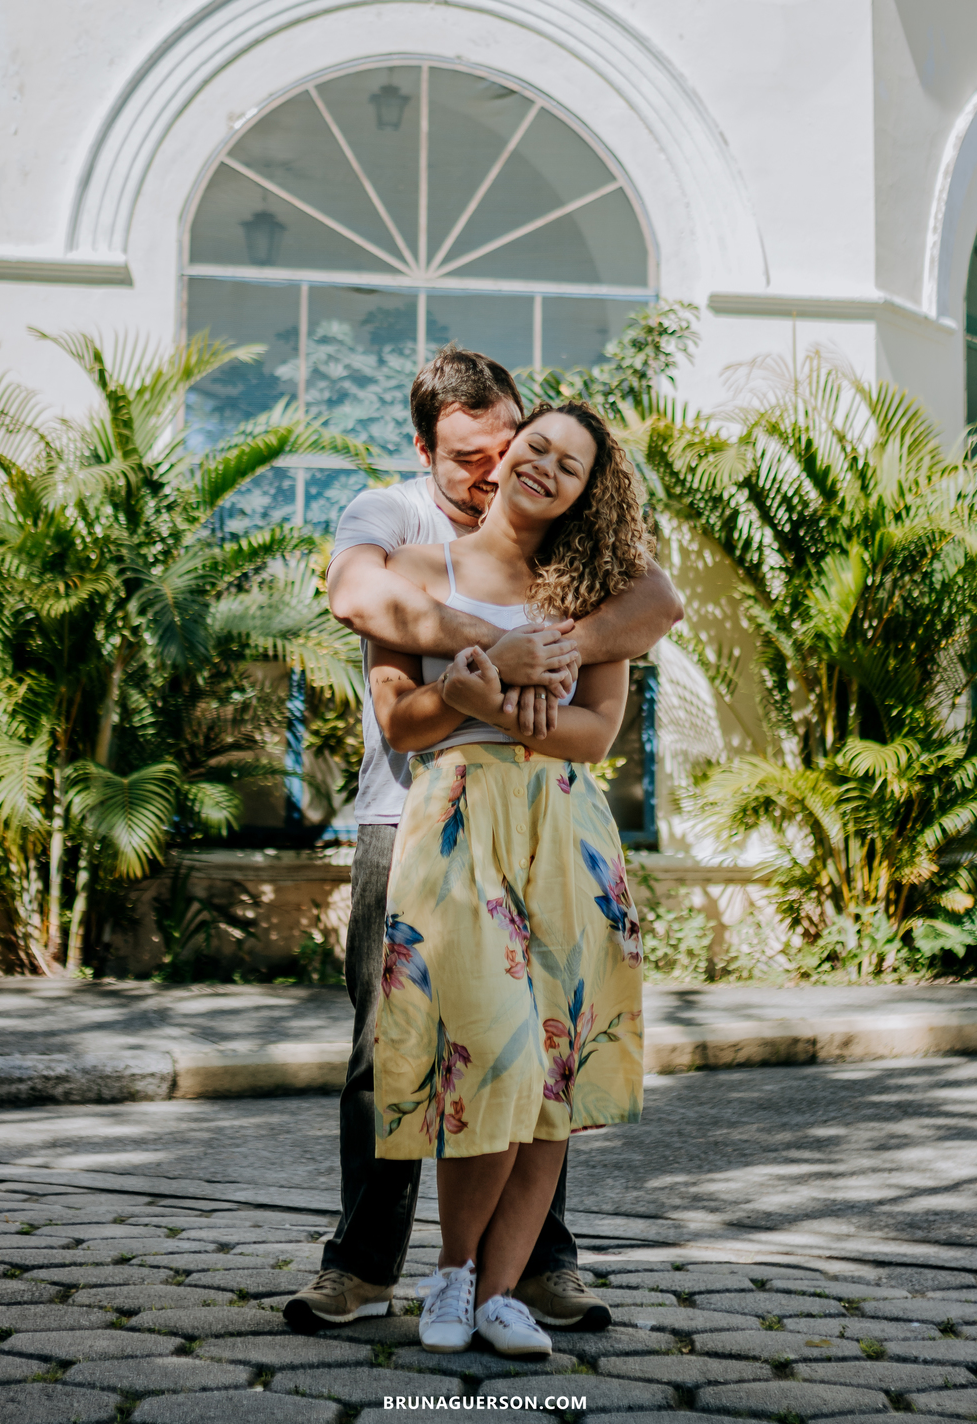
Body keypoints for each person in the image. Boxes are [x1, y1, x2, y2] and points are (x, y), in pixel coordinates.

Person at [285, 348, 682, 1334]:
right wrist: (487, 656)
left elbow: (646, 620)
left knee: (543, 1052)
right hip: (414, 817)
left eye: (517, 442)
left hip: (553, 826)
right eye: (474, 454)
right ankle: (370, 1266)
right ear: (428, 450)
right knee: (399, 1053)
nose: (498, 465)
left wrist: (545, 650)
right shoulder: (394, 522)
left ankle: (529, 1273)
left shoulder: (576, 569)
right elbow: (361, 612)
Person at [370, 400, 652, 1357]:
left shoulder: (588, 592)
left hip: (563, 822)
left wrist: (508, 703)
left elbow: (597, 733)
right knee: (488, 1048)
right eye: (539, 447)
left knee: (553, 1069)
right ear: (509, 450)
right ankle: (448, 1278)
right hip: (456, 815)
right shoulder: (419, 571)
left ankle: (498, 1295)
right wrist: (464, 694)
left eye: (570, 467)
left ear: (584, 492)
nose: (546, 469)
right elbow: (399, 728)